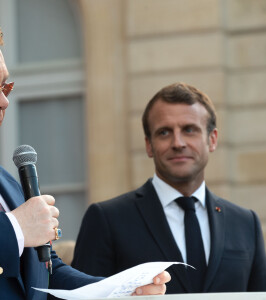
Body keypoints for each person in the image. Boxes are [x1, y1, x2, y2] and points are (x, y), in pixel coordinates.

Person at [0, 29, 170, 300]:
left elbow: (49, 272)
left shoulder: (7, 183)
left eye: (5, 86)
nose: (4, 101)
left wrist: (122, 291)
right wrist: (15, 229)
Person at [72, 82, 266, 293]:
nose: (178, 143)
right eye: (164, 132)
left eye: (189, 130)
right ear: (149, 145)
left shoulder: (245, 223)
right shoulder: (107, 219)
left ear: (212, 140)